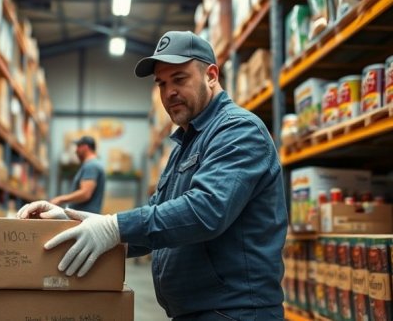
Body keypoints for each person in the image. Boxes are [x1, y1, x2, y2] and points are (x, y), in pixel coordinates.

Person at [18, 30, 288, 320]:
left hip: (237, 312)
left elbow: (207, 210)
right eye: (162, 83)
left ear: (211, 75)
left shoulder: (238, 130)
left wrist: (115, 227)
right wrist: (72, 224)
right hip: (198, 311)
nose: (169, 92)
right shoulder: (185, 144)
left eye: (180, 79)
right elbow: (156, 220)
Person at [51, 135, 105, 214]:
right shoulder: (91, 165)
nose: (76, 151)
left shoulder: (91, 165)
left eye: (78, 147)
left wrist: (60, 199)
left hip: (84, 219)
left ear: (85, 147)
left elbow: (85, 193)